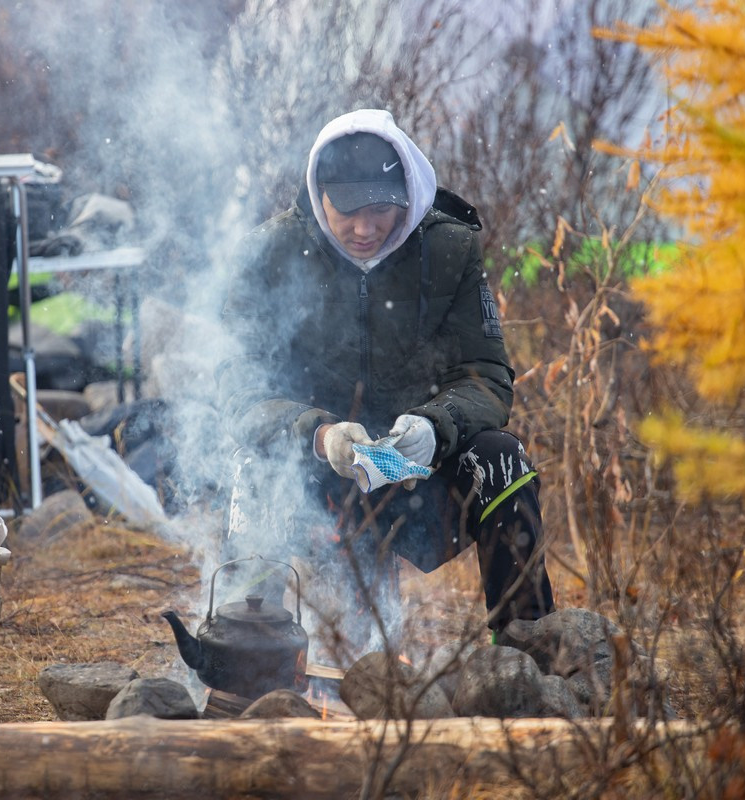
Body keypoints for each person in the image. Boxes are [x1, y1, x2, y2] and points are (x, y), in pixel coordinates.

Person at [216, 109, 555, 658]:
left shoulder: (449, 250)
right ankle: (245, 656)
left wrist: (434, 427)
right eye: (348, 211)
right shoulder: (270, 254)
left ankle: (527, 653)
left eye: (381, 210)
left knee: (502, 460)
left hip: (418, 481)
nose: (365, 229)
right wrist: (319, 434)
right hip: (314, 477)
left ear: (407, 193)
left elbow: (486, 376)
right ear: (319, 195)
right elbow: (241, 388)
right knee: (254, 466)